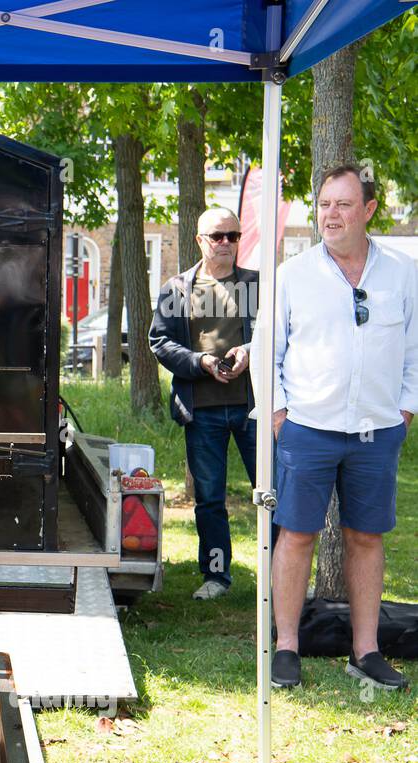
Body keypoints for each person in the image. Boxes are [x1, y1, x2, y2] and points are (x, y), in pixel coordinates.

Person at [267, 165, 416, 690]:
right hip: (307, 427)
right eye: (325, 203)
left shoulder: (402, 273)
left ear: (369, 210)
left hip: (377, 430)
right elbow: (269, 352)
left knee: (366, 537)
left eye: (343, 204)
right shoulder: (294, 274)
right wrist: (281, 416)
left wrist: (405, 409)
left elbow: (415, 349)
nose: (330, 215)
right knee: (297, 534)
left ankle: (366, 650)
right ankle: (286, 647)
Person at [150, 207, 260, 600]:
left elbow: (282, 333)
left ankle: (281, 574)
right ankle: (216, 575)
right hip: (203, 412)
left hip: (254, 411)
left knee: (272, 494)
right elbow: (160, 342)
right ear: (200, 240)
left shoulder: (258, 285)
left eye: (233, 235)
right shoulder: (177, 288)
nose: (227, 243)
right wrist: (201, 362)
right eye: (218, 236)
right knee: (210, 500)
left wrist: (249, 350)